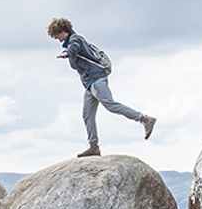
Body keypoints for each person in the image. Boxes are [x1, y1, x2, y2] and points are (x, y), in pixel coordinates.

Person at [47, 17, 156, 157]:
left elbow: (73, 49)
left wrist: (66, 54)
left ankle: (145, 119)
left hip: (96, 79)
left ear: (63, 31)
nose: (56, 38)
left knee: (110, 104)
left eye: (56, 35)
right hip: (89, 84)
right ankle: (93, 146)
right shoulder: (73, 41)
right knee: (87, 114)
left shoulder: (75, 40)